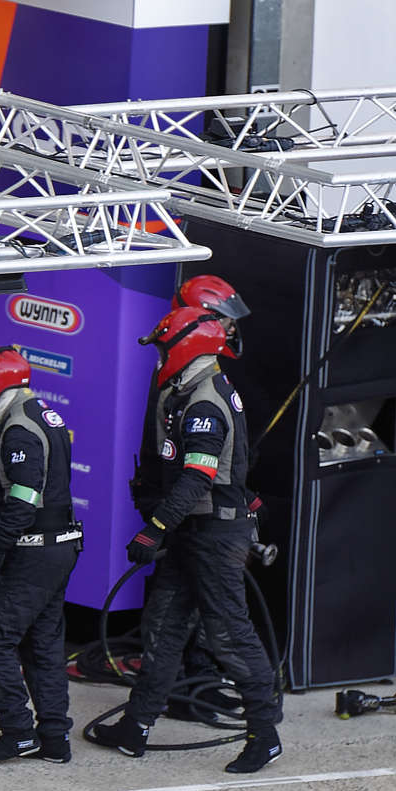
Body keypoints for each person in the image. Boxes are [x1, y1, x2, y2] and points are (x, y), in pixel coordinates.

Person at [85, 307, 283, 772]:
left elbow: (197, 477)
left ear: (186, 348)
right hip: (191, 532)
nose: (158, 358)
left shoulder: (205, 403)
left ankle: (264, 735)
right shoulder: (189, 391)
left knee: (230, 634)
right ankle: (136, 726)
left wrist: (153, 529)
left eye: (163, 348)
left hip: (214, 534)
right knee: (163, 628)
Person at [126, 275, 252, 728]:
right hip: (180, 512)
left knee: (206, 615)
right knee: (178, 612)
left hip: (199, 516)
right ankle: (182, 690)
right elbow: (179, 464)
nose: (230, 331)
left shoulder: (205, 382)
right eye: (223, 321)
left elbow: (213, 462)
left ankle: (202, 692)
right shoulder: (179, 381)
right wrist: (158, 522)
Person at [0, 345, 81, 765]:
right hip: (60, 548)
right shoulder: (44, 414)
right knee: (43, 644)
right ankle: (53, 738)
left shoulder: (19, 429)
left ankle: (16, 730)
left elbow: (24, 499)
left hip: (34, 553)